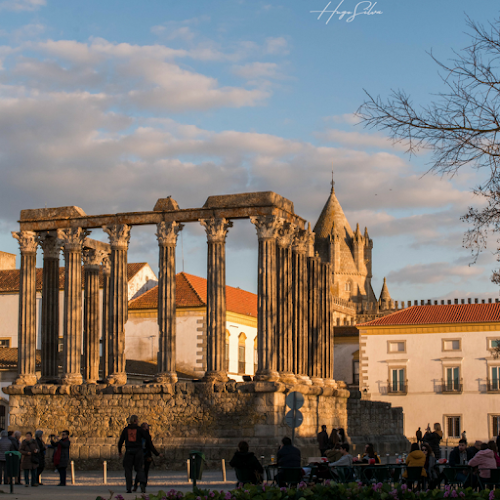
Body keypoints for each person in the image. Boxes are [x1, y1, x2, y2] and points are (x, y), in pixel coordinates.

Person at [118, 414, 151, 494]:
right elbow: (147, 438)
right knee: (140, 469)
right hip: (138, 451)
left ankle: (129, 488)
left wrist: (120, 451)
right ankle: (142, 484)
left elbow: (120, 441)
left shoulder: (126, 430)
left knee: (128, 470)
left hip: (129, 451)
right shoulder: (139, 430)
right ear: (136, 421)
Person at [133, 422, 160, 492]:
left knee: (139, 471)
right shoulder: (147, 436)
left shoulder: (137, 436)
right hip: (146, 455)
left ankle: (136, 485)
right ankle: (143, 485)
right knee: (145, 471)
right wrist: (157, 454)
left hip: (139, 455)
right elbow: (151, 446)